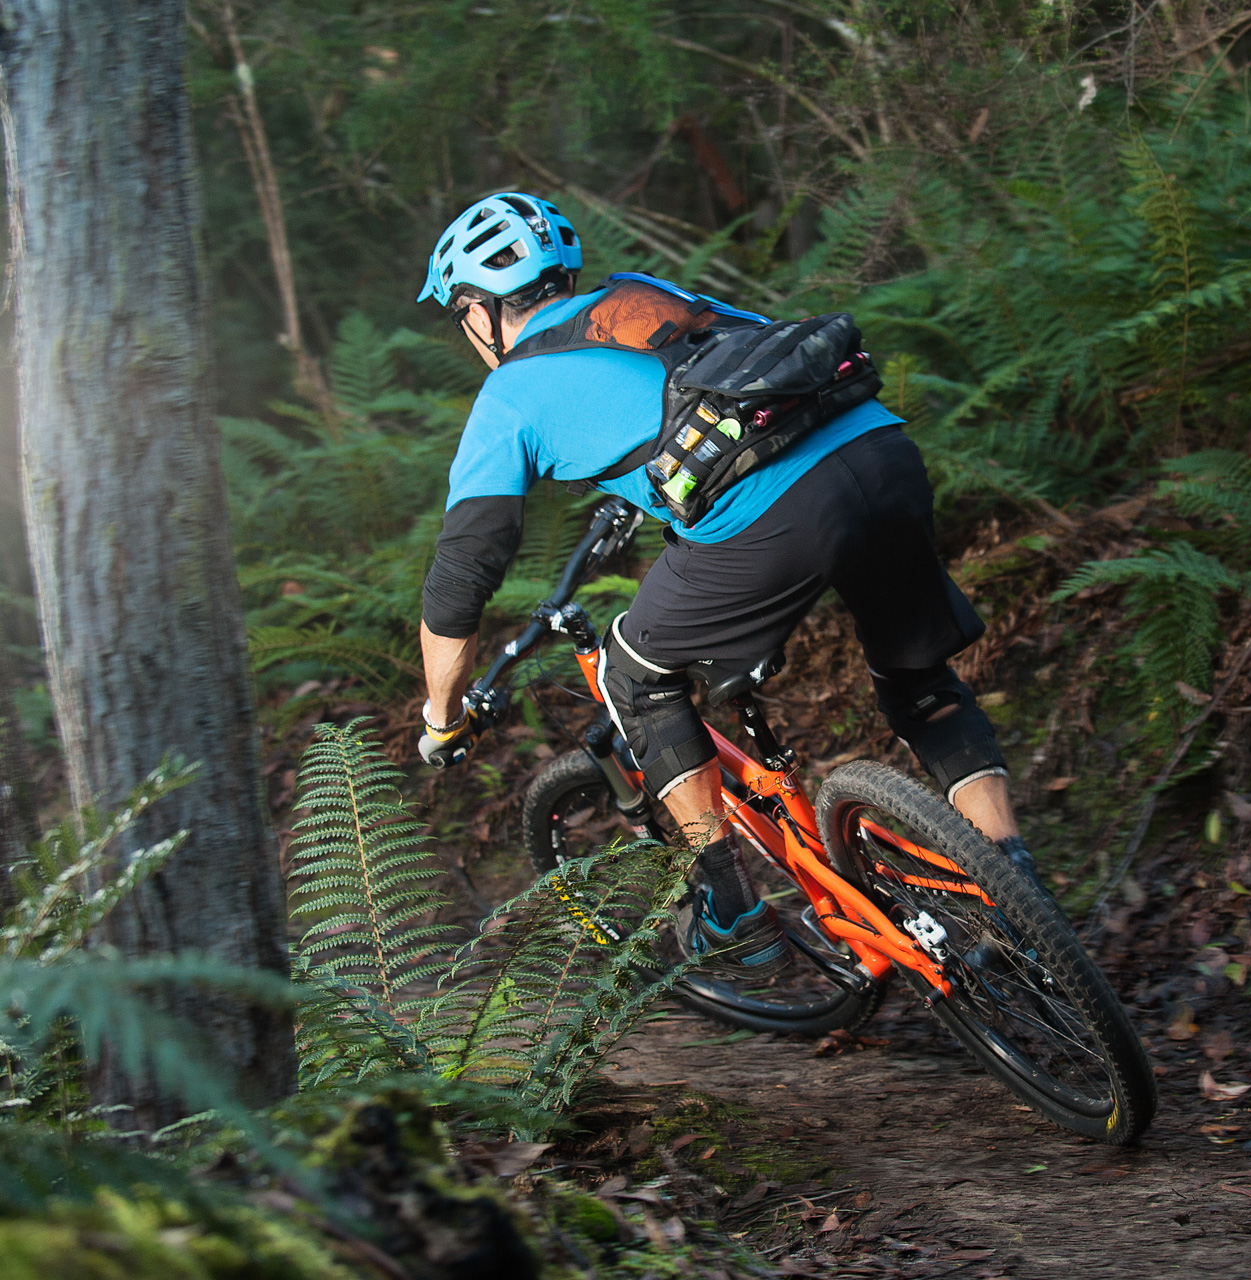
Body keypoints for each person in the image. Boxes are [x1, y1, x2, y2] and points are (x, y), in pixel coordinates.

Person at [416, 192, 1036, 977]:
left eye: (460, 314)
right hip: (879, 451)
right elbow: (755, 370)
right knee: (918, 678)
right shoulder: (643, 298)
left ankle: (733, 910)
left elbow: (462, 573)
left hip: (775, 516)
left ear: (480, 310)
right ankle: (1020, 895)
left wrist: (441, 716)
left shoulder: (508, 396)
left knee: (632, 670)